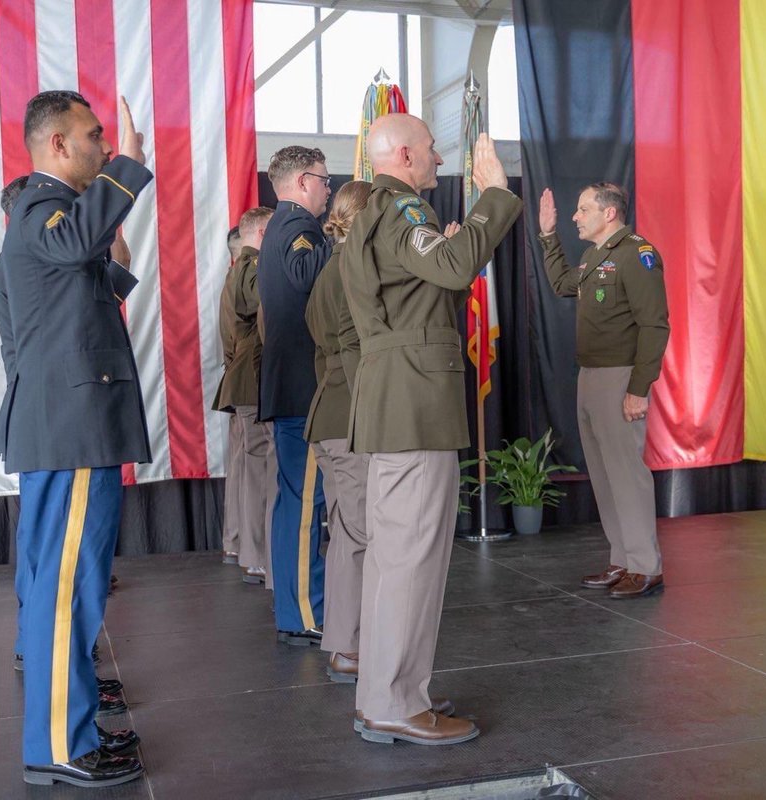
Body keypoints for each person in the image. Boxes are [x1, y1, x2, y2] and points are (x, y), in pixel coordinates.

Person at [342, 115, 521, 745]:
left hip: (399, 402)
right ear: (408, 154)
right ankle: (394, 702)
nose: (441, 159)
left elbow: (422, 287)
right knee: (411, 559)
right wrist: (494, 196)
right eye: (435, 150)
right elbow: (451, 268)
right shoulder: (400, 208)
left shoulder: (375, 212)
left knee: (398, 559)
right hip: (414, 405)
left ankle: (389, 693)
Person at [0, 89, 150, 788]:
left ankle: (69, 727)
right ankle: (60, 743)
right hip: (71, 428)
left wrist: (112, 228)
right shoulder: (39, 207)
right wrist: (127, 175)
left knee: (76, 584)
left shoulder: (53, 217)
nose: (105, 146)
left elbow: (88, 288)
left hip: (73, 425)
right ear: (58, 144)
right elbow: (65, 243)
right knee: (67, 588)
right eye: (95, 136)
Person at [0, 176, 128, 715]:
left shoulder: (44, 261)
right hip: (62, 424)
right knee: (59, 572)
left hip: (54, 424)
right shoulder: (43, 252)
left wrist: (110, 226)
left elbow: (111, 286)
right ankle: (60, 711)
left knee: (52, 563)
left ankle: (56, 671)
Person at [537, 183, 670, 599]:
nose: (575, 216)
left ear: (609, 214)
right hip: (591, 377)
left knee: (626, 475)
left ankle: (646, 566)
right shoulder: (595, 256)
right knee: (604, 474)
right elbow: (561, 283)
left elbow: (655, 325)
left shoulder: (637, 254)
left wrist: (638, 388)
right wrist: (547, 235)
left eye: (582, 209)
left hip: (619, 377)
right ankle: (623, 558)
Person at [258, 146, 333, 646]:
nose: (330, 188)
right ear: (304, 181)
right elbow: (312, 281)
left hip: (290, 386)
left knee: (294, 504)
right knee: (306, 505)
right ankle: (306, 611)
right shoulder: (301, 230)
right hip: (304, 388)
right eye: (326, 180)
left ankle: (293, 606)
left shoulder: (280, 228)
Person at [303, 180, 371, 683]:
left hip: (331, 414)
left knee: (349, 531)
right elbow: (353, 352)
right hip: (348, 417)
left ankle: (348, 640)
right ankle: (349, 645)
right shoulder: (351, 269)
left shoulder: (331, 269)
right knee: (360, 535)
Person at [215, 207, 276, 585]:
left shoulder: (235, 272)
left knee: (244, 466)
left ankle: (237, 543)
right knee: (257, 469)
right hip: (253, 377)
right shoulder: (251, 271)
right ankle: (255, 555)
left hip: (242, 377)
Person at [216, 225, 244, 566]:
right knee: (249, 473)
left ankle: (236, 541)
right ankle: (242, 543)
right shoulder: (242, 281)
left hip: (238, 384)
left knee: (242, 469)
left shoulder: (232, 280)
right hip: (247, 382)